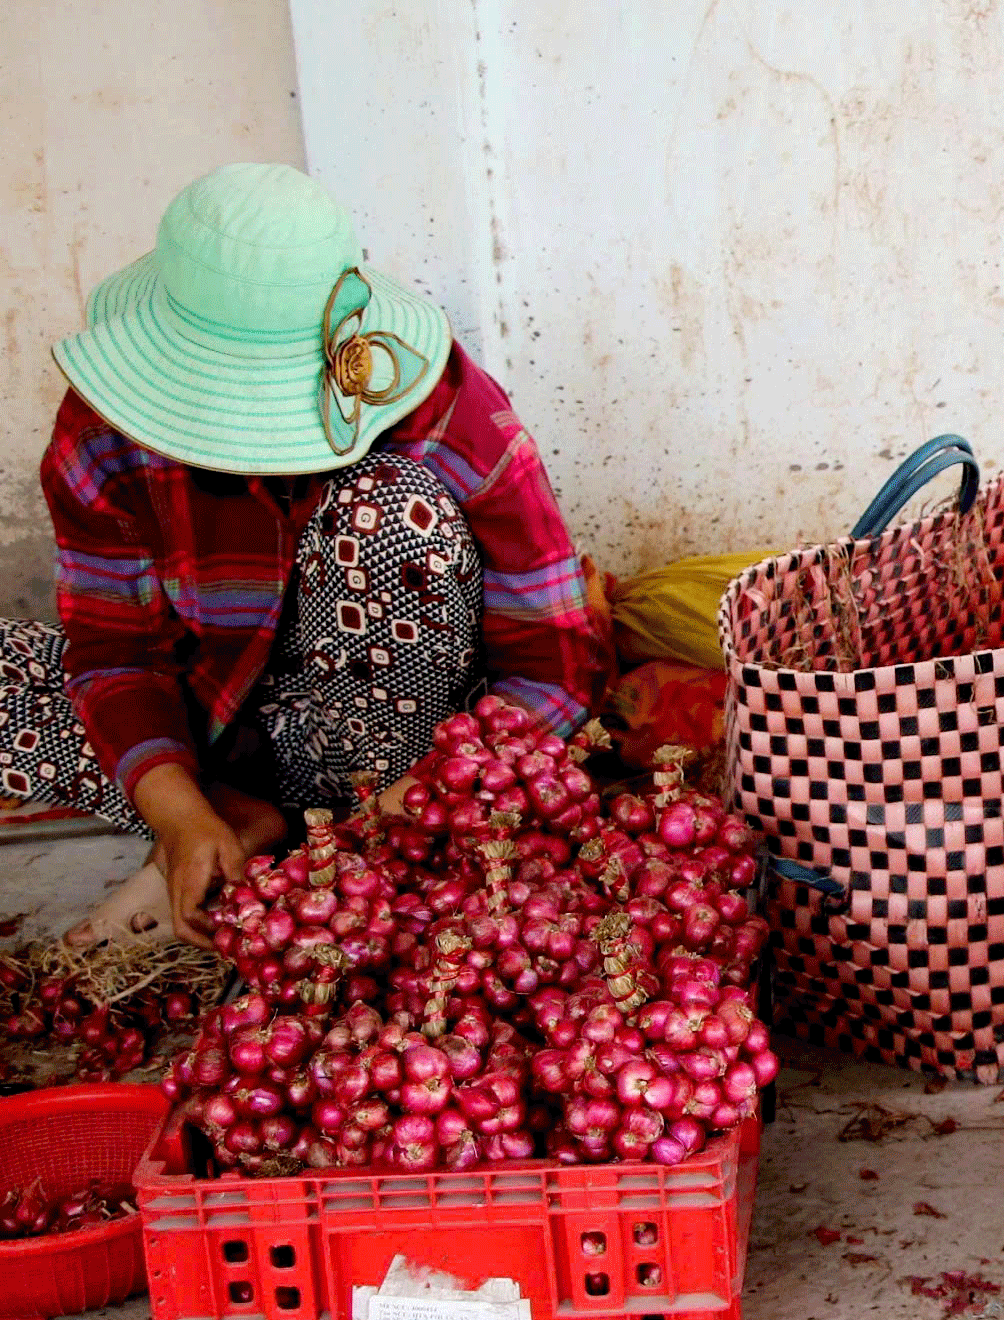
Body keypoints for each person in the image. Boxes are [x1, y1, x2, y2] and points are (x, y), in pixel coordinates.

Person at [0, 163, 611, 946]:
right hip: (219, 729)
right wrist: (180, 811)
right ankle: (234, 818)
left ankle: (345, 835)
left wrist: (431, 792)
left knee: (394, 515)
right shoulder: (101, 429)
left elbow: (558, 665)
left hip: (397, 750)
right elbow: (113, 649)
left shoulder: (446, 407)